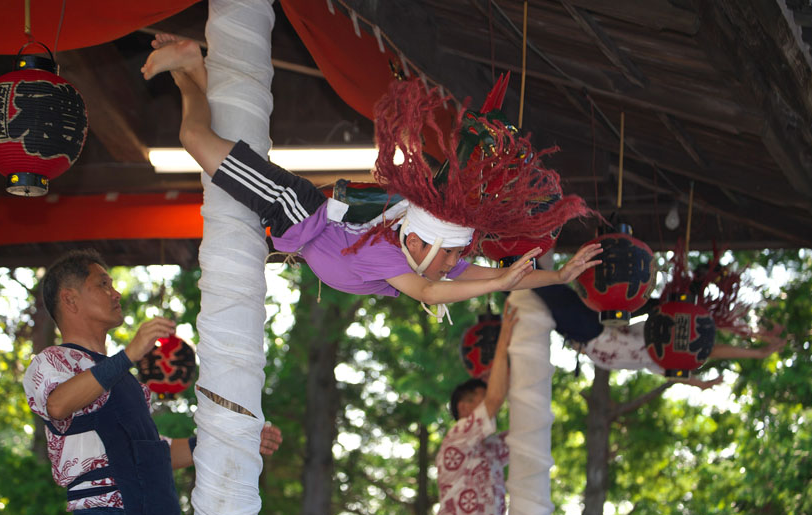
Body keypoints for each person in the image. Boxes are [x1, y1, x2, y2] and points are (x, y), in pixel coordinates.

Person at [140, 36, 602, 314]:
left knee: (206, 140)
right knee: (194, 139)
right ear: (421, 242)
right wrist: (499, 283)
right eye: (451, 258)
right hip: (291, 206)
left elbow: (488, 278)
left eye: (454, 259)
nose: (453, 267)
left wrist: (558, 279)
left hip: (293, 216)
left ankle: (191, 68)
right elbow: (429, 290)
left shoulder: (417, 253)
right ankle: (186, 69)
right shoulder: (395, 256)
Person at [22, 249, 282, 515]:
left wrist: (235, 440)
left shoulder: (123, 378)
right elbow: (58, 404)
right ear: (70, 299)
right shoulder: (52, 360)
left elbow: (157, 451)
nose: (115, 293)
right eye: (102, 284)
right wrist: (128, 355)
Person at [532, 283, 786, 388]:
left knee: (543, 293)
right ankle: (516, 268)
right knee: (545, 290)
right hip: (593, 333)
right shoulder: (659, 348)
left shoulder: (659, 360)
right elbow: (709, 336)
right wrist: (758, 345)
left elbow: (710, 349)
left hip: (590, 335)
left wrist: (758, 351)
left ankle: (516, 269)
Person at [430, 304, 518, 515]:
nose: (494, 403)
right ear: (466, 408)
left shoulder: (488, 447)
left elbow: (524, 435)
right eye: (482, 398)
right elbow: (494, 399)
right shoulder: (458, 435)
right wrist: (504, 333)